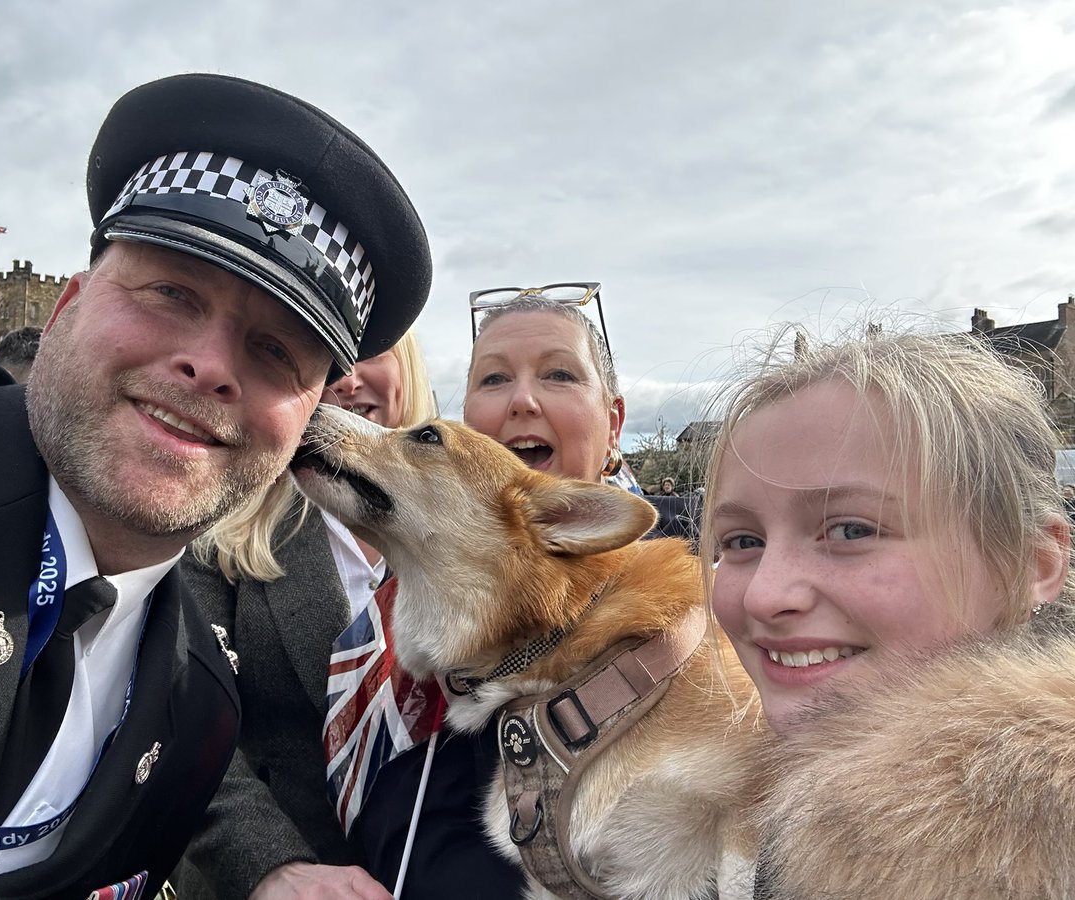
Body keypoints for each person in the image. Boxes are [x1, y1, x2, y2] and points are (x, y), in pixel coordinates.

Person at [0, 72, 429, 900]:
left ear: (310, 416)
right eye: (171, 292)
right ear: (65, 307)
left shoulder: (197, 707)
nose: (209, 365)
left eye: (276, 351)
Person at [701, 328, 1074, 897]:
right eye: (742, 541)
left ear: (1034, 564)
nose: (762, 596)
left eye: (851, 529)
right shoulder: (733, 807)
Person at [351, 288, 626, 898]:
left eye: (559, 374)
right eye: (494, 378)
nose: (522, 400)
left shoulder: (703, 614)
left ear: (613, 423)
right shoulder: (403, 603)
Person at [173, 330, 435, 900]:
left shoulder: (468, 535)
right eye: (322, 353)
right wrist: (271, 865)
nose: (347, 376)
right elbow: (181, 721)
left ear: (408, 364)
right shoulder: (216, 528)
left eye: (371, 349)